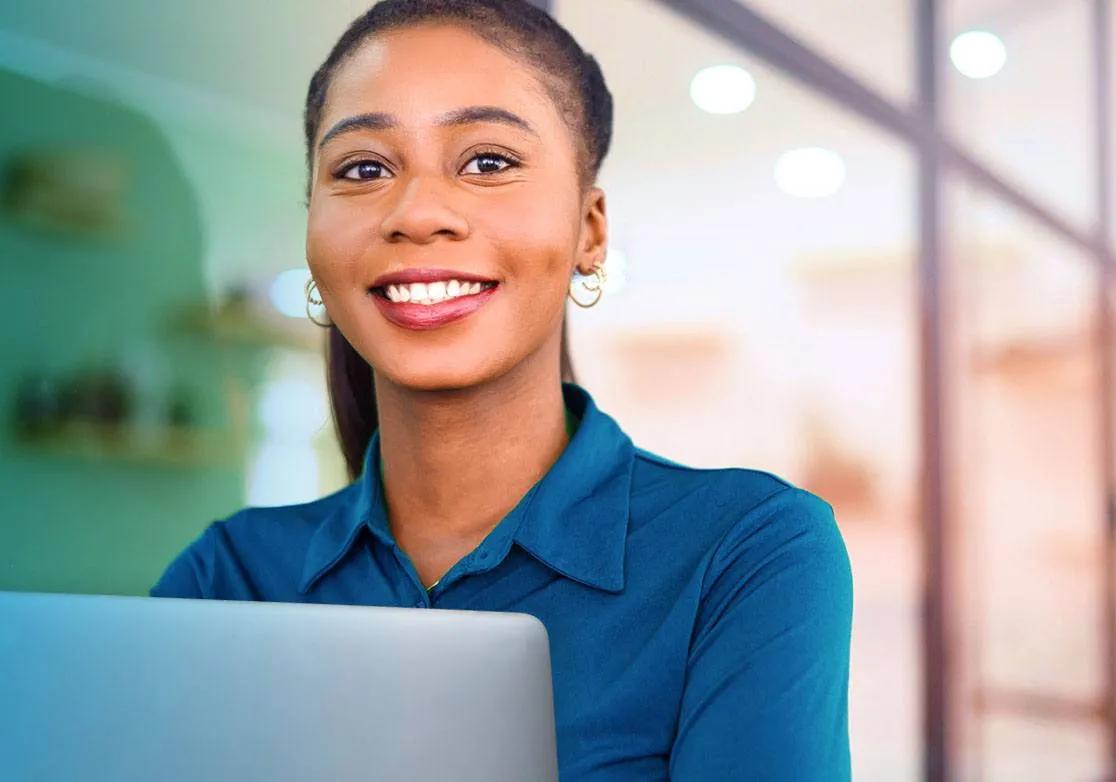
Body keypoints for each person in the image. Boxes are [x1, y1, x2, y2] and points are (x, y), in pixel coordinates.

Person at [151, 1, 854, 778]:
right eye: (363, 168)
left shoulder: (745, 553)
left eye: (487, 161)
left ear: (590, 231)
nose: (416, 213)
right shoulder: (231, 579)